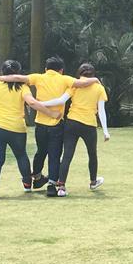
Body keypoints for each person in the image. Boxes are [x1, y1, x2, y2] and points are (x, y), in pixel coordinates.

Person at [0, 55, 100, 196]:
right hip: (56, 124)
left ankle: (36, 176)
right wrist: (95, 79)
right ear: (61, 70)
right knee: (54, 155)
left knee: (41, 151)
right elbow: (82, 83)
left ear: (46, 68)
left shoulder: (38, 77)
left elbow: (17, 77)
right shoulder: (65, 79)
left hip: (40, 123)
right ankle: (52, 185)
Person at [0, 60, 62, 199]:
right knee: (21, 155)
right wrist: (51, 113)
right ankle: (27, 183)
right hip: (16, 128)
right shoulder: (22, 87)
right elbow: (32, 103)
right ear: (18, 73)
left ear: (3, 72)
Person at [40, 63, 110, 197]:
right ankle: (93, 181)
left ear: (80, 73)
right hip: (89, 124)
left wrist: (41, 103)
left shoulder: (75, 85)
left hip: (72, 122)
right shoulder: (99, 88)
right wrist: (105, 131)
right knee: (92, 154)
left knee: (67, 155)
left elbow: (60, 100)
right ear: (93, 74)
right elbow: (101, 111)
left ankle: (61, 186)